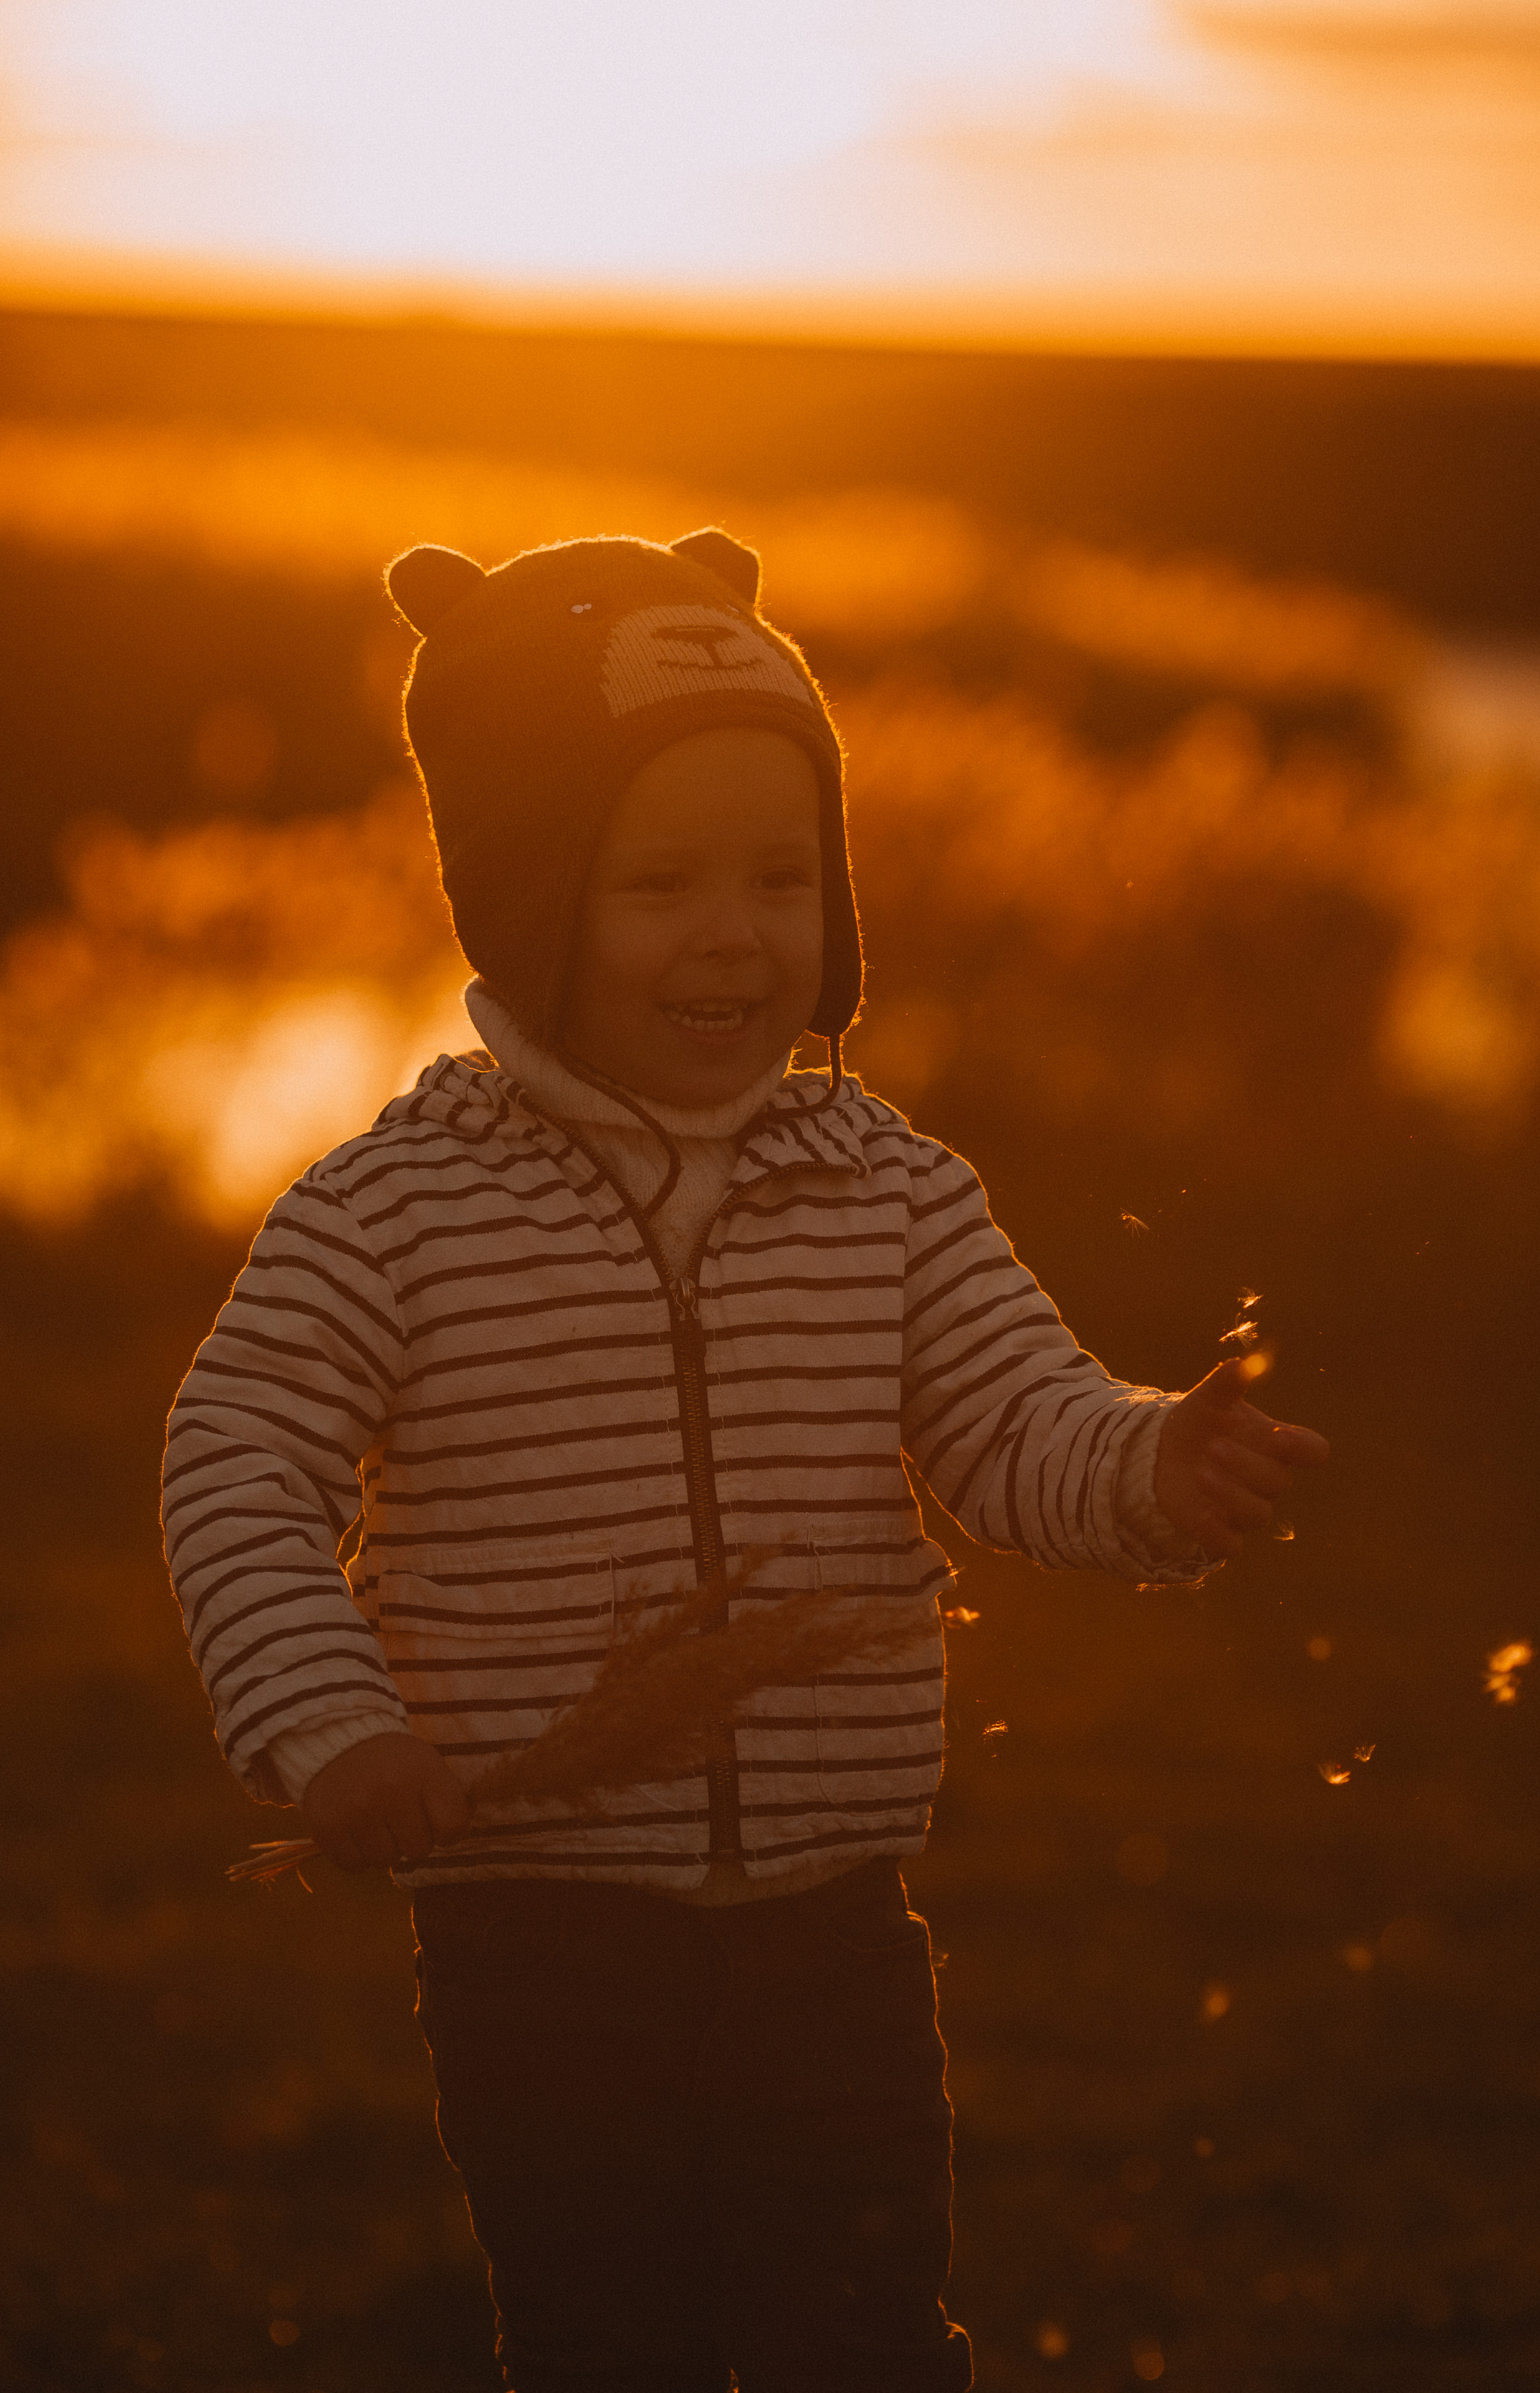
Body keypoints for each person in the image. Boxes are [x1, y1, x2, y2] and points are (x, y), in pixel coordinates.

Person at [163, 527, 1329, 2393]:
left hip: (832, 1935)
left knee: (859, 2332)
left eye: (784, 878)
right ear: (529, 897)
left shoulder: (889, 1186)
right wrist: (328, 1721)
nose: (736, 932)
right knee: (604, 2334)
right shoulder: (394, 1213)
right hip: (538, 1941)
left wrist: (1143, 1469)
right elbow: (240, 1459)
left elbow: (1018, 1419)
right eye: (661, 884)